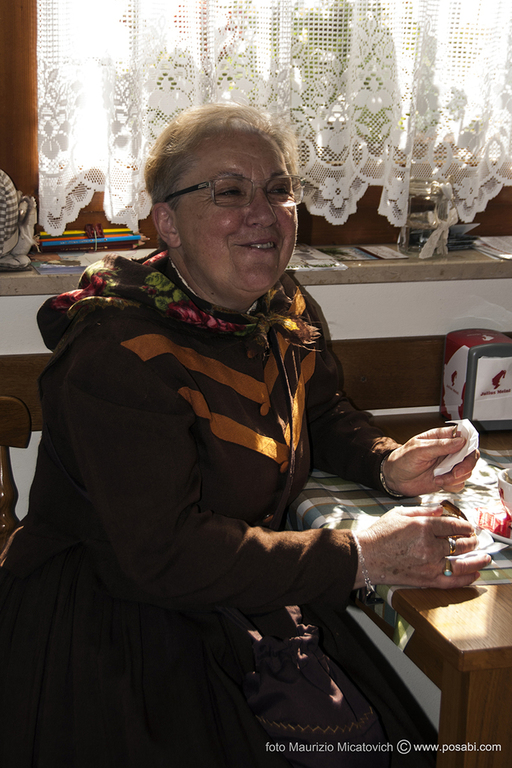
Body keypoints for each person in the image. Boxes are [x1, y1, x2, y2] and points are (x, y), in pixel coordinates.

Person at [0, 103, 488, 768]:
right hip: (119, 631)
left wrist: (386, 462)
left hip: (243, 583)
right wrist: (361, 556)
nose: (264, 212)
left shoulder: (279, 307)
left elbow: (319, 410)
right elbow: (164, 555)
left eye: (279, 189)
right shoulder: (115, 351)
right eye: (229, 191)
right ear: (168, 223)